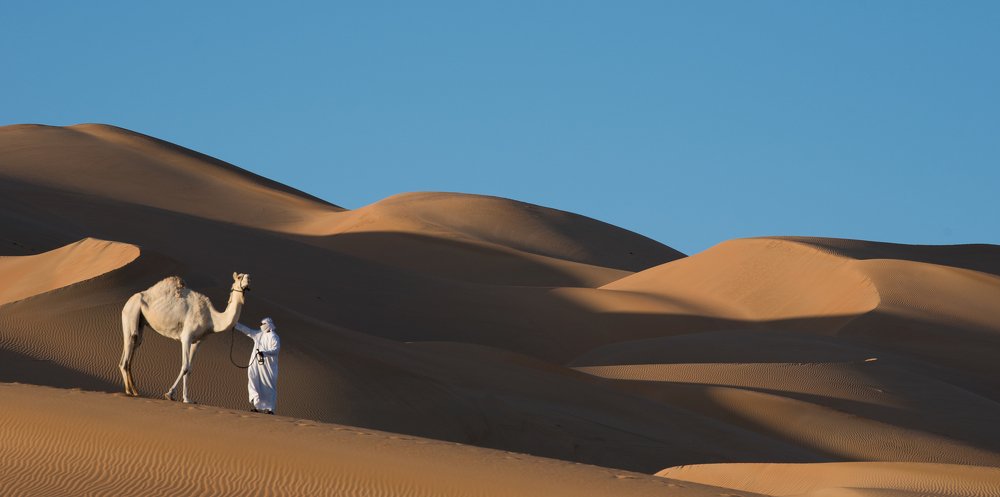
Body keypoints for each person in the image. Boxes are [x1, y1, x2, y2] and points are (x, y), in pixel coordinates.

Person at [235, 317, 281, 414]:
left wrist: (264, 353)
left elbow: (275, 350)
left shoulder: (274, 337)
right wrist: (234, 324)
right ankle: (257, 406)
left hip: (268, 367)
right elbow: (246, 330)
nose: (261, 326)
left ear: (268, 324)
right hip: (256, 365)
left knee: (268, 386)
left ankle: (270, 409)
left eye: (262, 324)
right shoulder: (258, 335)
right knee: (253, 380)